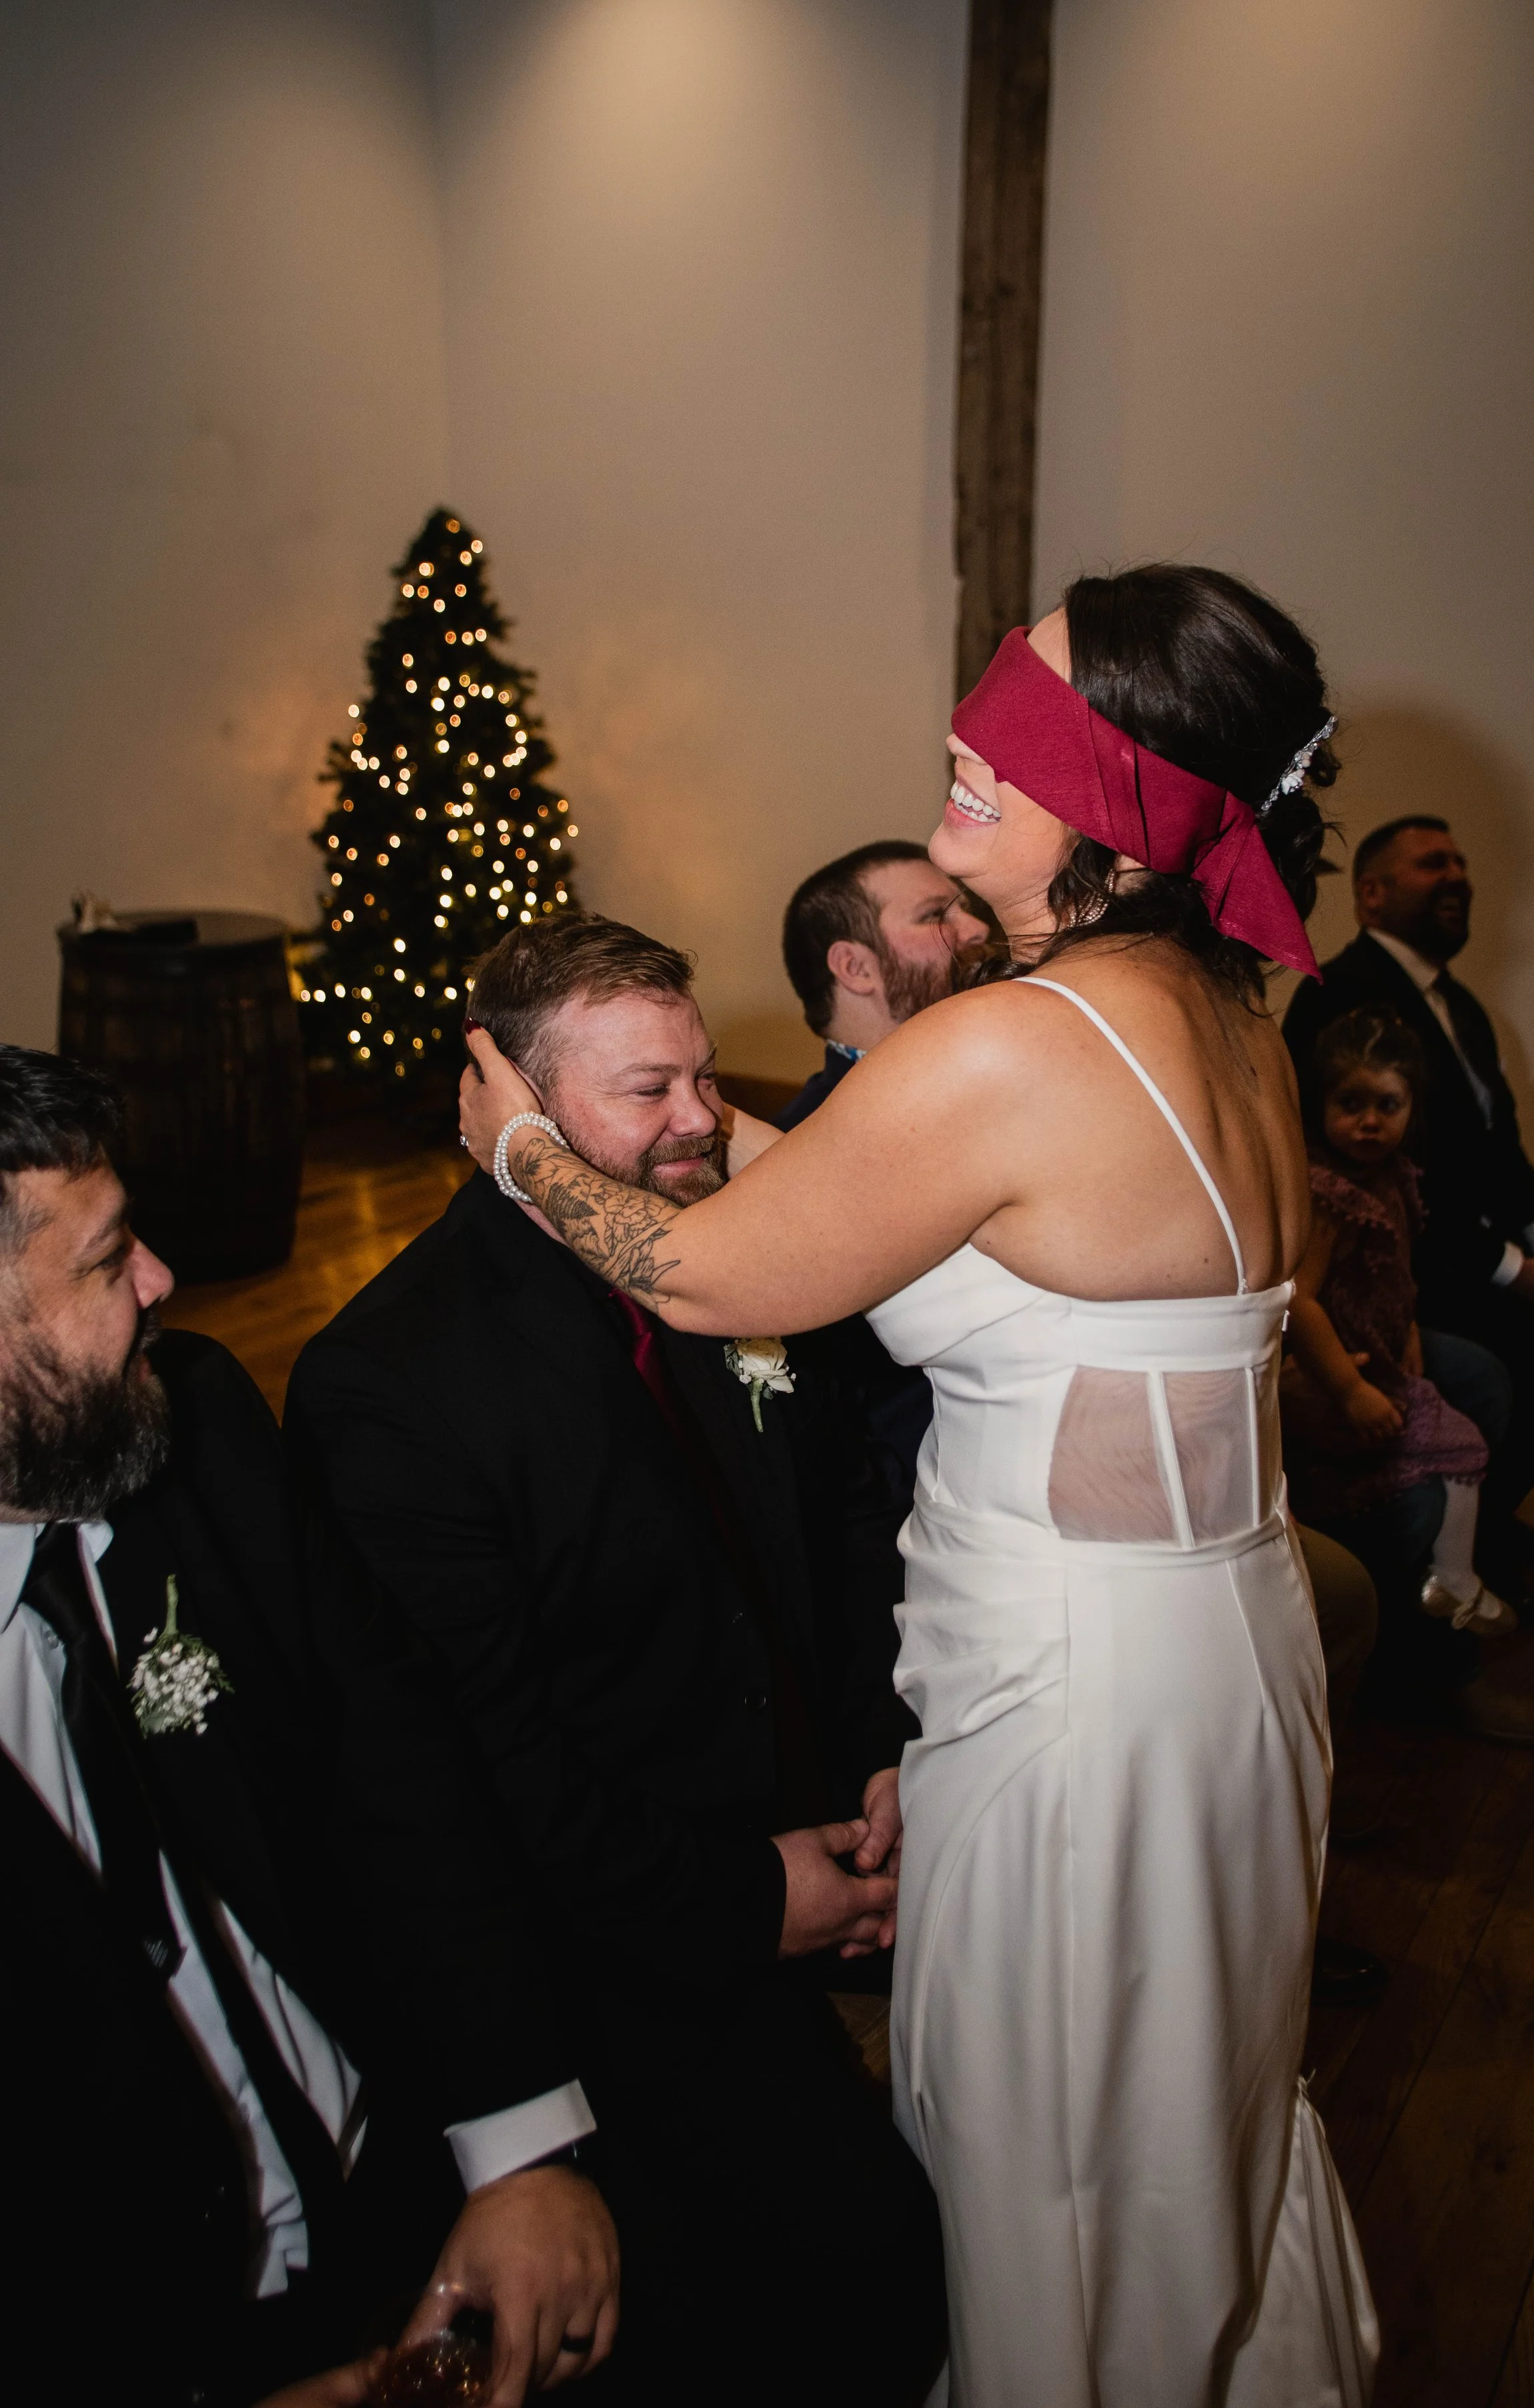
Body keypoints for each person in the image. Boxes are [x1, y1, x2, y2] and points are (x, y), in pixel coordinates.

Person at [461, 566, 1382, 2405]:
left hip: (1086, 1693)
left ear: (1119, 789)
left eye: (1020, 720)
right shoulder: (1220, 1023)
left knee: (1062, 2158)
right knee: (1177, 2120)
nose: (962, 736)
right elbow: (916, 1189)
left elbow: (715, 1275)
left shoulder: (1010, 1044)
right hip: (1202, 1650)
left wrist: (523, 1150)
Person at [284, 917, 946, 2408]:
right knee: (854, 2283)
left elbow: (851, 1525)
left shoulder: (729, 1266)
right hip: (598, 1951)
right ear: (511, 1109)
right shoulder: (390, 1386)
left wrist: (878, 1752)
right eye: (648, 1092)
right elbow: (469, 1768)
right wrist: (746, 1897)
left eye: (702, 1077)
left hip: (824, 1833)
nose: (703, 1120)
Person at [0, 1047, 620, 2408]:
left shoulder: (196, 1419)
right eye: (106, 1264)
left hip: (405, 2188)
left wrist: (519, 2147)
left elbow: (400, 1772)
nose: (162, 1281)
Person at [781, 842, 1386, 2002]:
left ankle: (1233, 1917)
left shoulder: (1056, 1060)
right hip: (969, 1532)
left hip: (1148, 1538)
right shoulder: (827, 1132)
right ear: (853, 963)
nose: (969, 929)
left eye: (964, 905)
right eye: (932, 915)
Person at [1283, 815, 1534, 1515]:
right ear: (1370, 895)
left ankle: (1492, 1508)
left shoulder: (1458, 1004)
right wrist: (1517, 1272)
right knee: (1524, 1356)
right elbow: (1375, 1182)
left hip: (1478, 1247)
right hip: (1404, 1263)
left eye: (1460, 863)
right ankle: (1459, 1527)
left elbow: (1501, 1145)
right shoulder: (1337, 995)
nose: (1457, 876)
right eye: (1433, 864)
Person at [1283, 1009, 1534, 1742]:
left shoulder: (1392, 1179)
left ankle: (1451, 1584)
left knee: (1477, 1387)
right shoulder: (1331, 1196)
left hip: (1381, 1344)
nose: (1371, 1123)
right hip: (1333, 1365)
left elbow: (1398, 1277)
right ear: (1321, 1106)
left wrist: (1407, 1330)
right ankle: (1446, 1589)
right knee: (1455, 1445)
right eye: (1351, 1105)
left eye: (1388, 1106)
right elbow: (1300, 1299)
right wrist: (1346, 1387)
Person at [778, 840, 989, 1126]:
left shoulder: (982, 1082)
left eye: (965, 910)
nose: (979, 929)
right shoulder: (804, 1144)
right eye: (934, 915)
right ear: (856, 968)